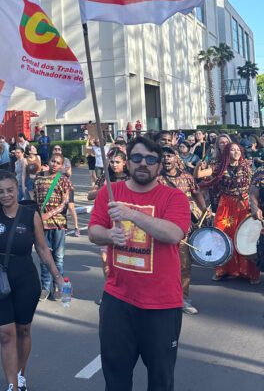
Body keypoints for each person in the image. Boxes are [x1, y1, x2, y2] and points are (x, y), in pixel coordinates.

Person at [88, 136, 190, 391]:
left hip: (162, 305)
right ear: (128, 162)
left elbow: (174, 233)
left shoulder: (174, 197)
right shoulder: (109, 192)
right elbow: (93, 231)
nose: (143, 163)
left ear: (159, 166)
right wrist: (109, 235)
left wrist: (131, 214)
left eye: (150, 159)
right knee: (116, 380)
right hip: (118, 301)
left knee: (161, 380)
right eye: (136, 157)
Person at [0, 170, 65, 391]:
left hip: (25, 280)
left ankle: (20, 374)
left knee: (23, 330)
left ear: (17, 189)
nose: (6, 195)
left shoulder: (30, 215)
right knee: (5, 334)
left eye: (10, 190)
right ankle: (12, 385)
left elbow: (42, 249)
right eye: (1, 191)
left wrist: (57, 278)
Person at [200, 143, 259, 284]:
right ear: (227, 152)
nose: (236, 152)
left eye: (238, 150)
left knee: (245, 237)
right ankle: (222, 270)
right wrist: (199, 165)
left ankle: (250, 272)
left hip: (243, 205)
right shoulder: (219, 167)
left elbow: (256, 186)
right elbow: (199, 175)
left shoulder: (247, 167)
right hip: (225, 204)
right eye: (233, 150)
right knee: (221, 235)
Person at [157, 146, 206, 315]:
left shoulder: (187, 177)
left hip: (183, 228)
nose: (166, 159)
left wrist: (203, 211)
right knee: (161, 265)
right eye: (162, 156)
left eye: (169, 156)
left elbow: (197, 193)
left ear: (176, 158)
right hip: (161, 228)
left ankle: (183, 299)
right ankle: (162, 298)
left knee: (184, 264)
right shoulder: (155, 179)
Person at [32, 154, 76, 301]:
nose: (54, 164)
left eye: (58, 163)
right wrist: (37, 216)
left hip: (58, 223)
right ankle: (44, 287)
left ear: (62, 166)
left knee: (58, 257)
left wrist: (48, 214)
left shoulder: (63, 179)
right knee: (44, 257)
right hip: (41, 224)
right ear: (48, 161)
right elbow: (35, 198)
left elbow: (64, 203)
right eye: (53, 161)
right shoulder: (38, 177)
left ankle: (57, 287)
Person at [88, 149, 129, 281]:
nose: (114, 164)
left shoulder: (131, 178)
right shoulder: (105, 177)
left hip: (126, 222)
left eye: (117, 162)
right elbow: (90, 195)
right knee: (105, 259)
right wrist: (106, 189)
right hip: (106, 221)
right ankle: (109, 285)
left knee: (124, 258)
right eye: (112, 162)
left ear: (125, 163)